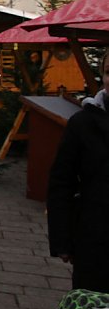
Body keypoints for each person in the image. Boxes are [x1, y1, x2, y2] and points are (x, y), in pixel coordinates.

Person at [47, 50, 109, 293]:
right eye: (108, 72)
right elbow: (62, 181)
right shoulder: (83, 123)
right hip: (95, 240)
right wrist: (62, 239)